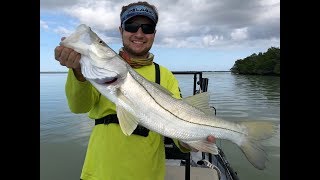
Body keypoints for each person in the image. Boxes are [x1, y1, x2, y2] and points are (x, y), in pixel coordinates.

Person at [54, 1, 215, 180]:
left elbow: (179, 134)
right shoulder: (95, 73)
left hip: (148, 174)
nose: (139, 33)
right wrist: (77, 70)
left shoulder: (165, 75)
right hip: (98, 173)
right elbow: (79, 107)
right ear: (121, 30)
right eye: (131, 26)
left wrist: (191, 143)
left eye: (147, 28)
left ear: (154, 34)